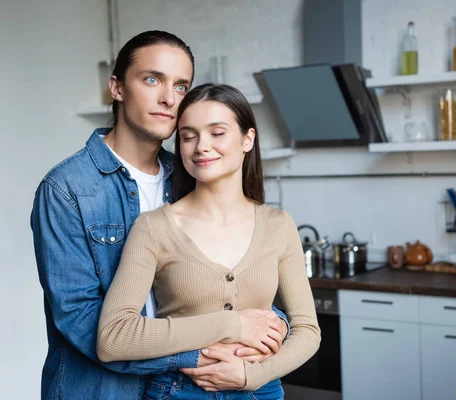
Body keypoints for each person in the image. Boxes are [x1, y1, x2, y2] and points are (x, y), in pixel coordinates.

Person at [30, 30, 289, 400]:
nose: (169, 98)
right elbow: (81, 321)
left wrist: (270, 324)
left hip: (181, 390)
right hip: (102, 390)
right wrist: (201, 352)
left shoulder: (190, 175)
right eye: (152, 79)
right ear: (116, 88)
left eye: (182, 86)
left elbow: (229, 285)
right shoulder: (67, 189)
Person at [96, 83, 321, 399]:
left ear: (247, 139)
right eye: (188, 136)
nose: (201, 146)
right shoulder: (154, 227)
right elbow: (113, 337)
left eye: (217, 133)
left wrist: (251, 375)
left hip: (261, 392)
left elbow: (308, 330)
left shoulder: (278, 226)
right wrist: (232, 325)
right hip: (178, 391)